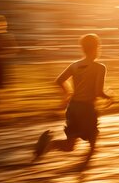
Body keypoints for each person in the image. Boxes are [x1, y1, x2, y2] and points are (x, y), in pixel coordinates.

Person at [33, 33, 112, 164]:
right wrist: (109, 96)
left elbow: (59, 81)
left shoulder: (74, 65)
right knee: (92, 145)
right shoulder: (100, 68)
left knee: (69, 145)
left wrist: (68, 92)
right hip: (87, 110)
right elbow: (98, 92)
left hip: (73, 107)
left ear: (83, 48)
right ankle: (81, 175)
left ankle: (48, 146)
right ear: (97, 47)